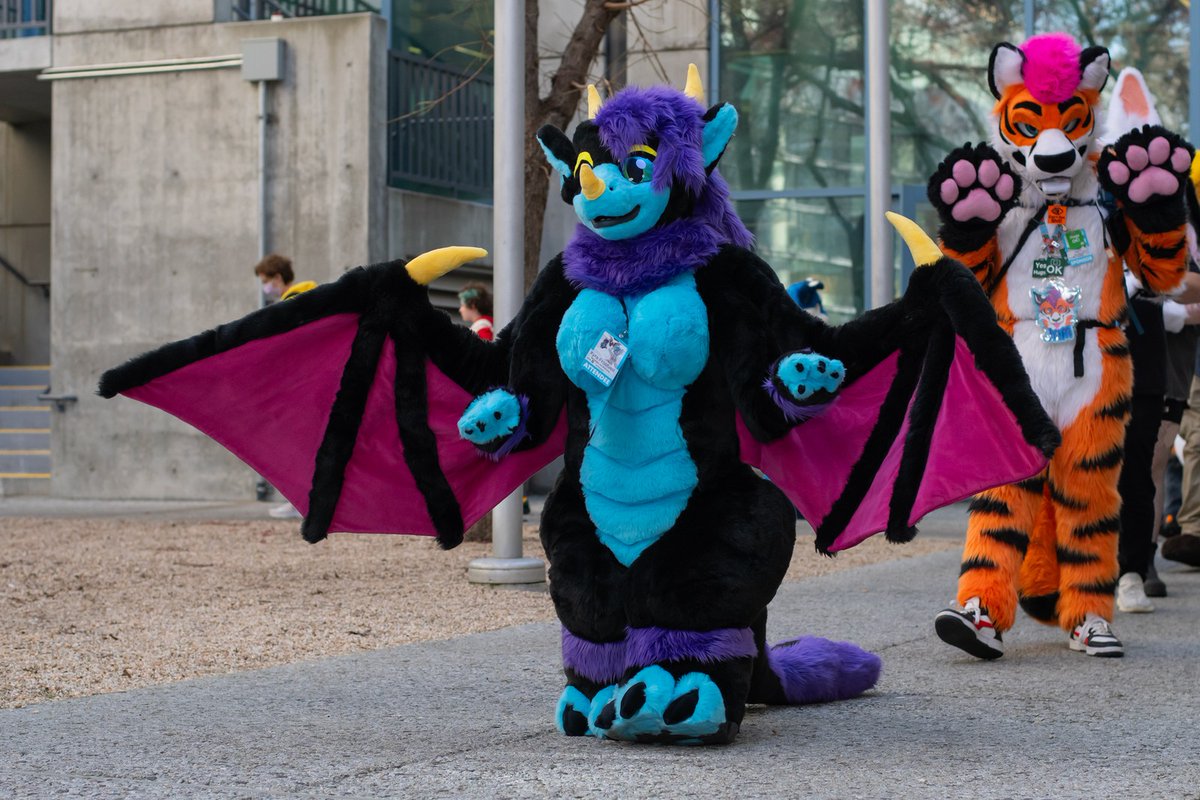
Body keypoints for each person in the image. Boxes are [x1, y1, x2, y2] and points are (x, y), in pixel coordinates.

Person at [253, 253, 316, 519]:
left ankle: (299, 502)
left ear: (278, 278)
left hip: (300, 386)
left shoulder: (293, 303)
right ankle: (302, 501)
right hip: (310, 385)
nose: (265, 288)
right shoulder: (311, 298)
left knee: (297, 446)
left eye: (265, 281)